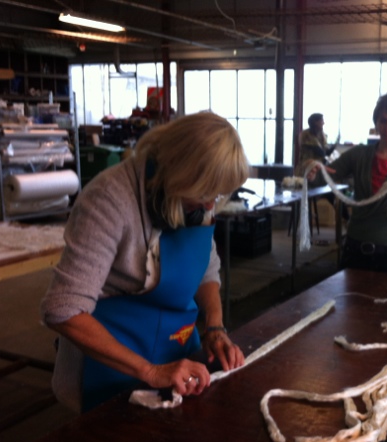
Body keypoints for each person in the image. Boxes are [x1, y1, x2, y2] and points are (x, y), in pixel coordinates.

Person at [40, 111, 249, 412]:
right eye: (204, 193)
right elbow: (62, 309)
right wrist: (151, 371)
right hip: (109, 372)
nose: (209, 204)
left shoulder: (196, 200)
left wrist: (215, 327)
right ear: (178, 175)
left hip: (178, 354)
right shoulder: (109, 200)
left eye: (216, 195)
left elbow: (206, 266)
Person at [308, 91, 387, 276]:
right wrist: (311, 172)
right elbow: (323, 177)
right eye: (383, 121)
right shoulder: (359, 155)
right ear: (376, 122)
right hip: (356, 249)